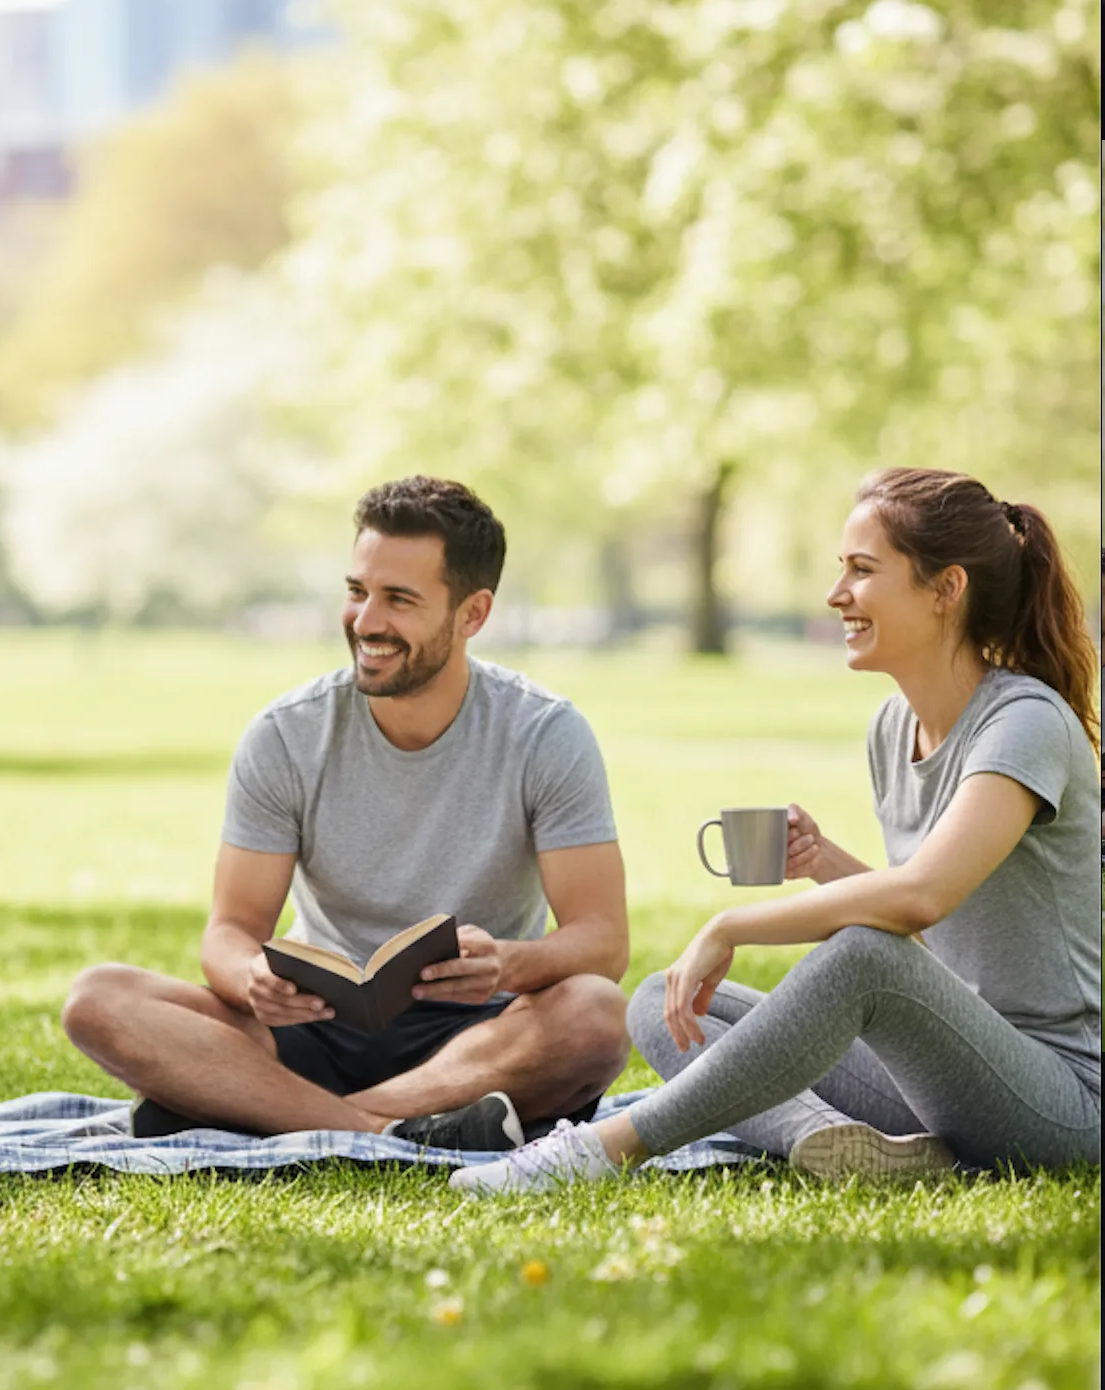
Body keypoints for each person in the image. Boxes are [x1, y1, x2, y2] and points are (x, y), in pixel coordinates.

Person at [455, 469, 1102, 1193]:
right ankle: (826, 1141)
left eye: (862, 570)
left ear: (946, 589)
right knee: (671, 1000)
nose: (836, 595)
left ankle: (602, 1151)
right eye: (840, 570)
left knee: (862, 953)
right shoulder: (893, 728)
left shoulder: (1026, 724)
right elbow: (938, 944)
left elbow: (921, 898)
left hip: (1060, 1105)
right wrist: (823, 860)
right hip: (947, 1076)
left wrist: (734, 924)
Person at [63, 476, 632, 1151]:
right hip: (307, 1027)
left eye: (399, 599)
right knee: (98, 999)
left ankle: (270, 1111)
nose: (365, 622)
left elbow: (602, 940)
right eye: (357, 591)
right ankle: (397, 1130)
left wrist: (506, 965)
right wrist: (252, 978)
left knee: (597, 1016)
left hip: (477, 1035)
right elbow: (231, 930)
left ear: (473, 614)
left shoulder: (544, 734)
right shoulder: (286, 734)